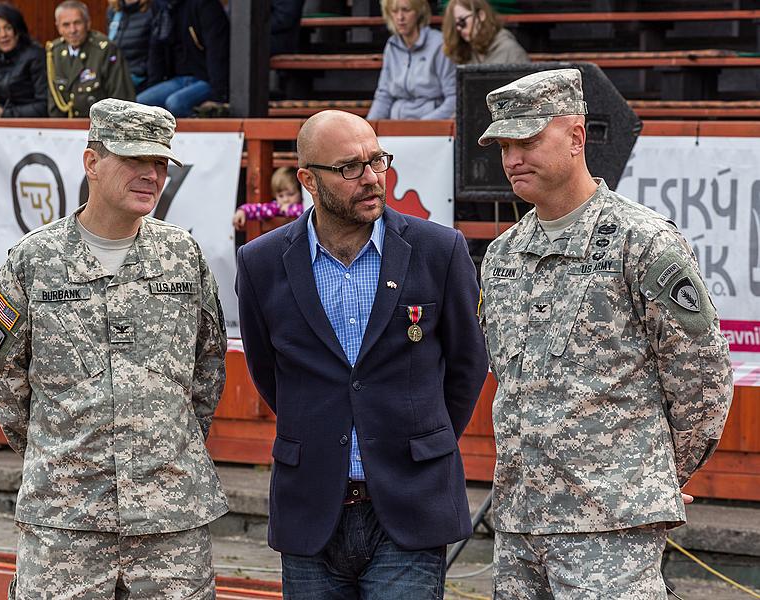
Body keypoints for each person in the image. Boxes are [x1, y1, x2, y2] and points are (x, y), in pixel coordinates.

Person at [476, 69, 733, 598]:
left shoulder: (642, 242)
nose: (511, 159)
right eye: (503, 144)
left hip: (610, 526)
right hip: (520, 521)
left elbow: (702, 381)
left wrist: (649, 474)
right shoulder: (502, 256)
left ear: (576, 136)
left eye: (526, 139)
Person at [0, 98, 228, 599]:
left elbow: (208, 366)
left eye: (160, 163)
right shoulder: (35, 261)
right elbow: (5, 376)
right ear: (92, 162)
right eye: (136, 160)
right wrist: (60, 453)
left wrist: (160, 447)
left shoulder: (183, 257)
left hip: (169, 519)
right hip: (64, 520)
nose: (151, 175)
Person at [236, 110, 488, 598]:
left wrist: (419, 441)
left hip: (411, 507)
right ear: (308, 179)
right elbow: (269, 374)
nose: (372, 178)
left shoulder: (440, 250)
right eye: (350, 167)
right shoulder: (262, 263)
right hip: (311, 510)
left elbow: (466, 365)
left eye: (378, 161)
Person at [137, 0, 230, 118]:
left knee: (175, 103)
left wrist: (219, 97)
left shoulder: (205, 5)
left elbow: (218, 53)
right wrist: (154, 86)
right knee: (140, 104)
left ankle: (201, 130)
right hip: (178, 79)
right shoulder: (162, 7)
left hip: (206, 79)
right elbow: (156, 52)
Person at [366, 0, 455, 120]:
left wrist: (422, 126)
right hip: (396, 124)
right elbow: (384, 96)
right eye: (394, 11)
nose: (400, 17)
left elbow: (453, 98)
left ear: (419, 12)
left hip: (431, 127)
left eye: (406, 10)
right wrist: (367, 128)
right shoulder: (391, 45)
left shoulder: (439, 45)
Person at [47, 0, 135, 118]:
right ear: (58, 27)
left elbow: (122, 99)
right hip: (68, 130)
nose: (72, 30)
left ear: (88, 23)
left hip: (101, 128)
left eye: (77, 23)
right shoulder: (54, 51)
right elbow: (54, 102)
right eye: (66, 25)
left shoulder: (105, 50)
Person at [0, 3, 47, 118]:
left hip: (36, 125)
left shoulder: (36, 55)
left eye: (8, 28)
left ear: (18, 30)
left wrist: (5, 114)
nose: (3, 35)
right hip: (7, 124)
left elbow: (44, 106)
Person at [442, 0, 528, 65]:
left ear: (481, 15)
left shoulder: (510, 50)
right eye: (455, 24)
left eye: (462, 21)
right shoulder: (463, 52)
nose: (458, 28)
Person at [107, 0, 160, 93]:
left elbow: (156, 54)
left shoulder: (152, 9)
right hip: (115, 76)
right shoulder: (114, 11)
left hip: (140, 78)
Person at [232, 167, 303, 230]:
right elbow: (259, 209)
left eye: (291, 194)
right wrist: (243, 211)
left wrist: (290, 209)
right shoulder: (276, 207)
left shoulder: (306, 205)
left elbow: (304, 210)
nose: (285, 199)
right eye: (281, 196)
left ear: (301, 192)